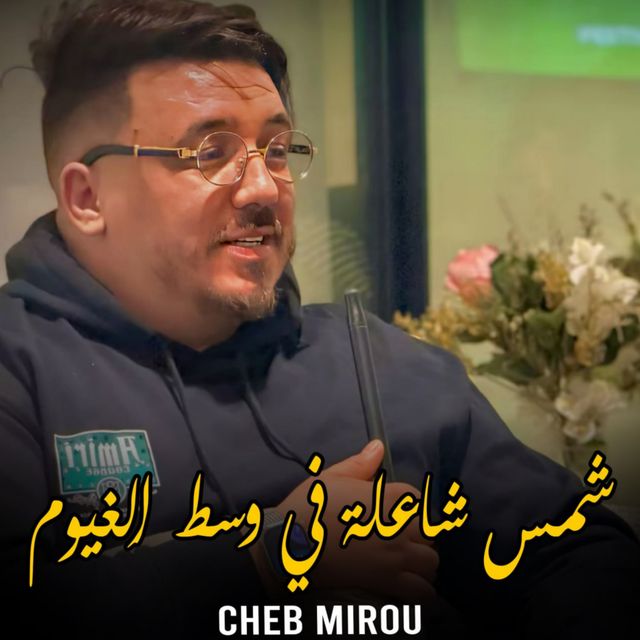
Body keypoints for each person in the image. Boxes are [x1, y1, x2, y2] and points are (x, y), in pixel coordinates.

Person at [0, 0, 637, 637]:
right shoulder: (19, 374)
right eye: (210, 152)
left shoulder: (378, 365)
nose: (263, 188)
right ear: (87, 198)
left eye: (277, 150)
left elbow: (577, 550)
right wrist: (265, 562)